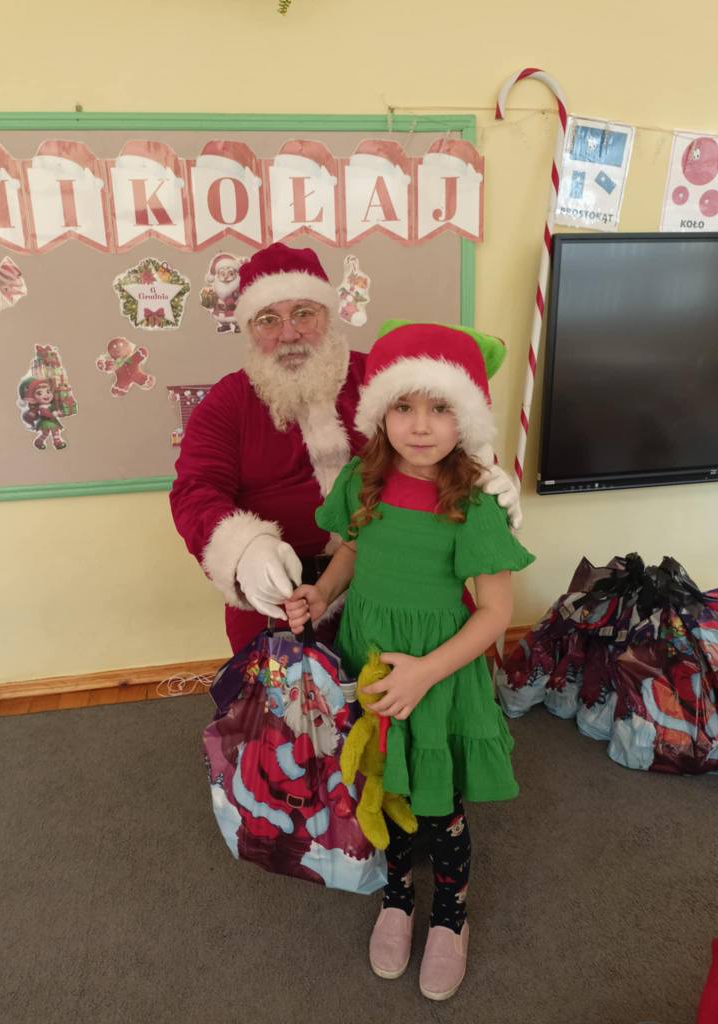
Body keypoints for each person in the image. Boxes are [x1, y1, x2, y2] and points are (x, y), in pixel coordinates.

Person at [284, 320, 535, 1001]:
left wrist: (425, 673)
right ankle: (396, 898)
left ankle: (450, 914)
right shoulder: (363, 480)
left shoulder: (476, 502)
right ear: (380, 411)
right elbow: (351, 550)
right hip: (368, 658)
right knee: (383, 784)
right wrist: (322, 593)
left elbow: (494, 614)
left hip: (437, 673)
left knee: (438, 803)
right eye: (403, 405)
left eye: (440, 407)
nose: (420, 426)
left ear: (467, 416)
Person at [170, 242, 523, 654]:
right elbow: (195, 490)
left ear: (328, 314)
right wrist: (244, 548)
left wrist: (485, 472)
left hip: (407, 581)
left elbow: (452, 424)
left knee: (432, 683)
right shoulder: (227, 402)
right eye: (268, 320)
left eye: (304, 313)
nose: (289, 333)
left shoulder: (386, 379)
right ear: (250, 330)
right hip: (287, 599)